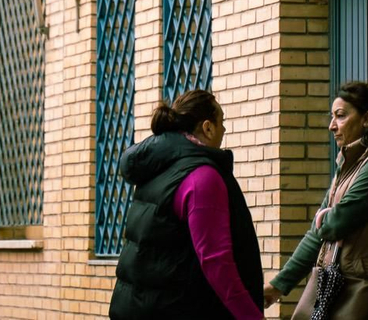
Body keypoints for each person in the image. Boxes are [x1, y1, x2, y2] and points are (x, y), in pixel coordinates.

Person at [110, 89, 264, 320]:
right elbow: (216, 262)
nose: (225, 129)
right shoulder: (202, 178)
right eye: (222, 121)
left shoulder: (161, 168)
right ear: (207, 127)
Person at [264, 81, 368, 320]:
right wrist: (278, 286)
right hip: (337, 287)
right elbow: (317, 232)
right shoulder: (348, 164)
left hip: (365, 292)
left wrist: (326, 218)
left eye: (341, 116)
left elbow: (336, 223)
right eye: (332, 117)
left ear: (367, 119)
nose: (332, 126)